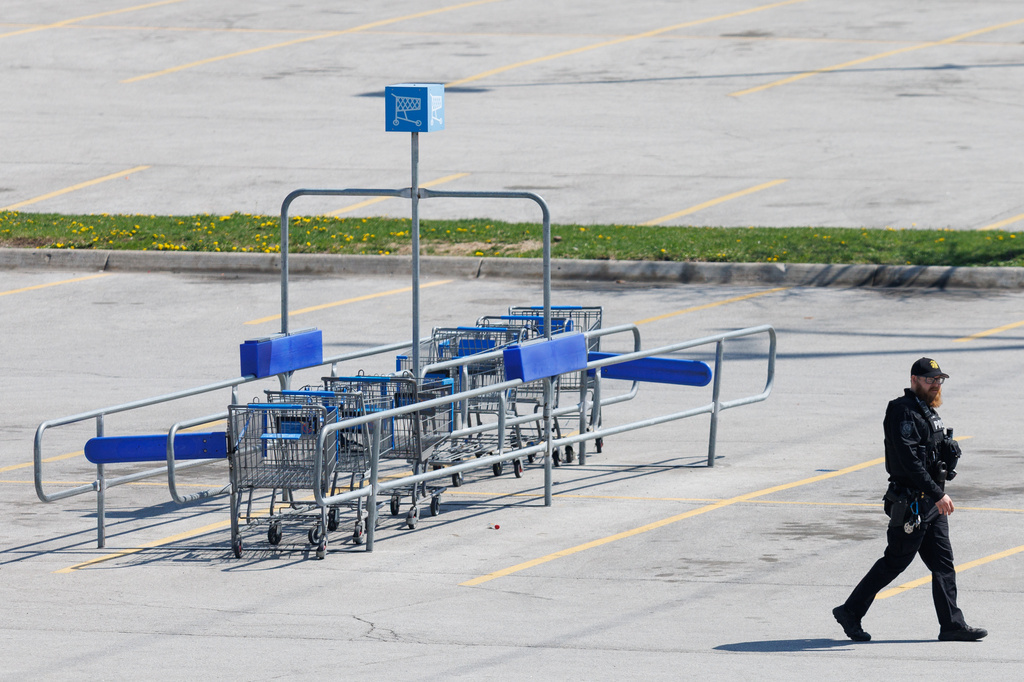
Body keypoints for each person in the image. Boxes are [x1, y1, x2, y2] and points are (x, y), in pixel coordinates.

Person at [832, 357, 987, 642]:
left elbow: (929, 455)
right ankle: (850, 611)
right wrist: (938, 493)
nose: (935, 385)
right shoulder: (902, 411)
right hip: (913, 502)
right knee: (895, 562)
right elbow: (909, 462)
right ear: (914, 379)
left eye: (939, 380)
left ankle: (952, 624)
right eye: (930, 380)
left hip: (931, 503)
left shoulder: (927, 411)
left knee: (943, 564)